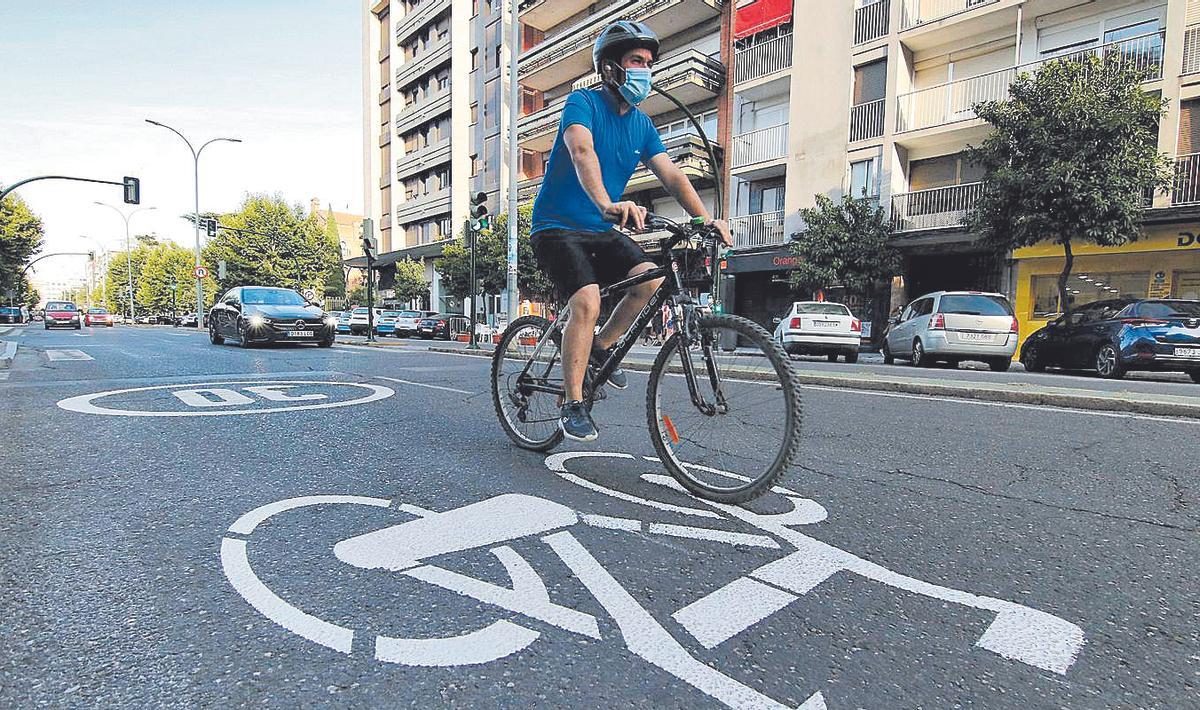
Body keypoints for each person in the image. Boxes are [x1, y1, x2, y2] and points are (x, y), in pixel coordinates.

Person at [529, 20, 732, 443]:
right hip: (557, 227)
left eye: (649, 63)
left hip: (600, 230)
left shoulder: (641, 124)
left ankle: (601, 348)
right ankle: (571, 403)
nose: (646, 70)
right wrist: (607, 204)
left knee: (651, 279)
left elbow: (672, 175)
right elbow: (582, 151)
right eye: (636, 61)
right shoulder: (582, 103)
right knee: (585, 300)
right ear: (611, 68)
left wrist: (704, 219)